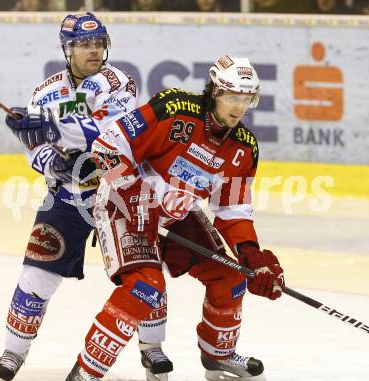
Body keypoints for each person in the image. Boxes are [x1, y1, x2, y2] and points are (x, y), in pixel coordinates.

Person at [56, 55, 285, 380]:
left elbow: (232, 209)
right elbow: (108, 146)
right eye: (233, 97)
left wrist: (253, 258)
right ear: (216, 91)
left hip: (177, 214)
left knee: (231, 279)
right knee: (144, 289)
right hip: (125, 206)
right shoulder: (174, 108)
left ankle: (218, 355)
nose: (239, 107)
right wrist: (133, 193)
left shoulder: (243, 148)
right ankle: (85, 373)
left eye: (247, 99)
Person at [0, 12, 172, 381]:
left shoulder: (118, 81)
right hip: (68, 198)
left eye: (98, 43)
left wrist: (53, 129)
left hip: (120, 193)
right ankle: (14, 352)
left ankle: (152, 347)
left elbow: (110, 128)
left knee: (144, 274)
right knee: (36, 275)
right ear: (67, 48)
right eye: (85, 44)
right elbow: (36, 153)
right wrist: (45, 152)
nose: (94, 50)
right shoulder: (45, 92)